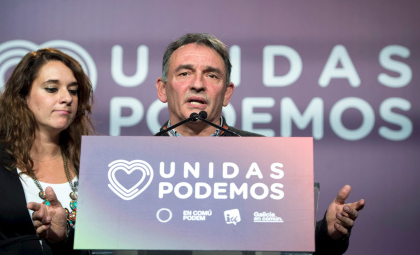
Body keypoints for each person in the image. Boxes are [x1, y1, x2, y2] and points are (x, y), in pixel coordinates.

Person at [153, 33, 366, 255]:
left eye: (211, 76)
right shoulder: (136, 158)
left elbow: (288, 243)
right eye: (184, 73)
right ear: (162, 89)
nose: (197, 84)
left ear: (227, 93)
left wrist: (327, 234)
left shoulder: (266, 158)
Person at [0, 48, 95, 254]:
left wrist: (61, 239)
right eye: (51, 89)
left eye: (73, 90)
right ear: (22, 95)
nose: (67, 98)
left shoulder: (92, 166)